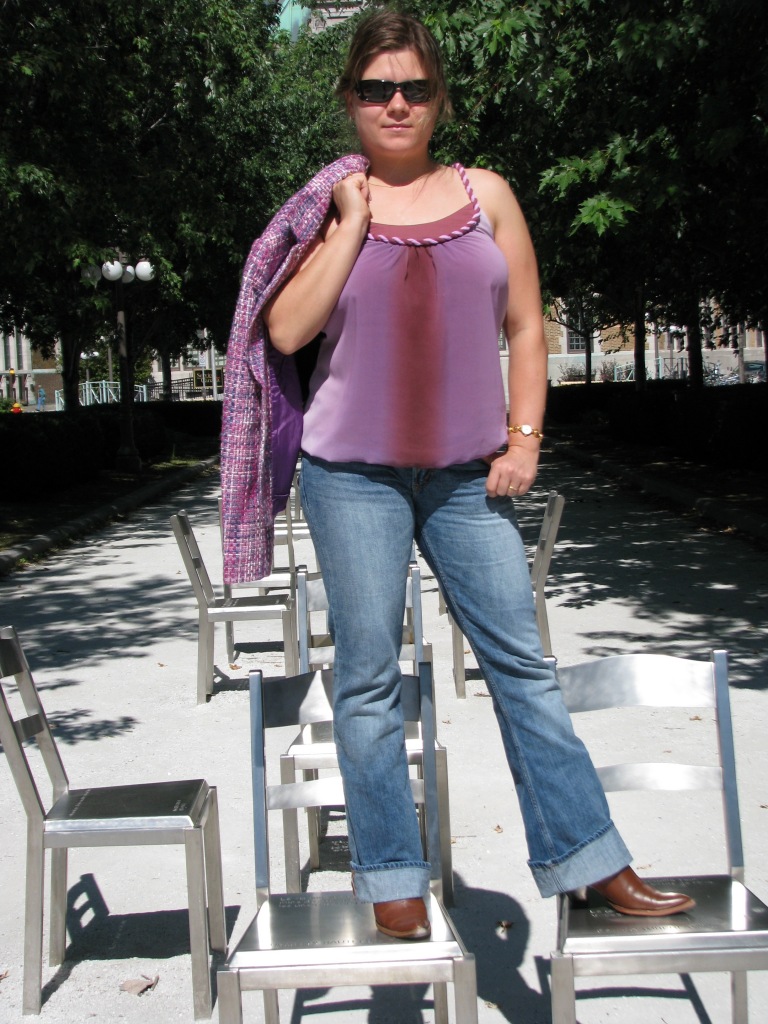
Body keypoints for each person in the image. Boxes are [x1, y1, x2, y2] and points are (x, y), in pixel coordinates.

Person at [258, 9, 695, 940]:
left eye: (414, 87)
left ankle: (590, 862)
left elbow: (527, 326)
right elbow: (286, 331)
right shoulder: (330, 203)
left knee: (523, 667)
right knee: (368, 677)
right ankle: (391, 877)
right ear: (349, 99)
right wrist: (351, 224)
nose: (396, 103)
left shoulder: (487, 194)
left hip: (466, 479)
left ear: (440, 98)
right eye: (376, 88)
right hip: (352, 478)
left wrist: (524, 439)